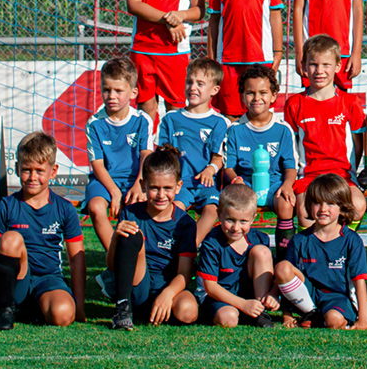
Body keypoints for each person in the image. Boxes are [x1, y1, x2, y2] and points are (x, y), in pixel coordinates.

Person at [0, 132, 85, 330]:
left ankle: (39, 307)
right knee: (11, 239)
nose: (32, 177)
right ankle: (6, 308)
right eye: (26, 170)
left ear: (53, 171)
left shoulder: (65, 208)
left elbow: (76, 258)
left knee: (63, 315)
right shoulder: (6, 206)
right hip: (15, 282)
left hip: (49, 279)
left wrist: (79, 304)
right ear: (17, 169)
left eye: (39, 170)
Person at [104, 145, 199, 330]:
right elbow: (111, 265)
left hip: (169, 286)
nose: (161, 195)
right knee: (132, 233)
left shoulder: (186, 223)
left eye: (167, 188)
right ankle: (123, 308)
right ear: (143, 185)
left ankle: (156, 308)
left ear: (178, 187)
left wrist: (168, 294)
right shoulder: (130, 213)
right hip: (138, 285)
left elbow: (184, 274)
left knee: (188, 311)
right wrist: (116, 238)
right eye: (154, 188)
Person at [284, 34, 367, 227]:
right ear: (304, 66)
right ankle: (308, 254)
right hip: (309, 176)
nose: (319, 71)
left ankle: (343, 246)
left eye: (326, 65)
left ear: (338, 66)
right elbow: (291, 146)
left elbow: (358, 144)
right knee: (305, 213)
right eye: (313, 64)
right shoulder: (294, 104)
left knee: (357, 205)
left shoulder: (350, 103)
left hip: (342, 175)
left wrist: (352, 172)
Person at [275, 174, 367, 330]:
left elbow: (359, 281)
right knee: (282, 267)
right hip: (309, 297)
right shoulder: (300, 239)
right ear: (309, 205)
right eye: (317, 203)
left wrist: (364, 320)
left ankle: (322, 319)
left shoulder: (351, 240)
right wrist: (287, 316)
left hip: (338, 298)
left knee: (333, 321)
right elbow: (286, 280)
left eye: (330, 204)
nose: (323, 209)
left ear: (342, 207)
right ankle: (312, 315)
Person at [222, 64, 298, 255]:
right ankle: (239, 256)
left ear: (273, 96)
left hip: (274, 184)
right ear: (242, 96)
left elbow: (290, 166)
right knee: (238, 206)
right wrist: (235, 180)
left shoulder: (283, 129)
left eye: (263, 92)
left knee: (286, 203)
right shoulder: (234, 129)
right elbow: (228, 167)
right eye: (250, 93)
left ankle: (284, 259)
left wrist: (288, 184)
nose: (257, 98)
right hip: (245, 186)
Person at [156, 58, 230, 245]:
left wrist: (210, 169)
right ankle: (167, 248)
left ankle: (189, 247)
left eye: (200, 83)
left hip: (207, 185)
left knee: (212, 211)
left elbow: (219, 157)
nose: (192, 87)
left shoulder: (219, 122)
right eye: (189, 82)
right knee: (174, 209)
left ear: (214, 90)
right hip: (180, 185)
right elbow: (164, 155)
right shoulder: (171, 119)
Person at [84, 57, 155, 251]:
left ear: (133, 93)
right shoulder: (94, 123)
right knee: (97, 207)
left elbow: (146, 157)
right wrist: (114, 192)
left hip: (136, 180)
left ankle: (147, 259)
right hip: (105, 180)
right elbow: (97, 164)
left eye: (118, 91)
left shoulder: (142, 121)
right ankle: (114, 259)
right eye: (106, 90)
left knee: (146, 207)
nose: (111, 96)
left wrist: (139, 186)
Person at [195, 185, 277, 328]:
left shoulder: (259, 239)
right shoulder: (212, 242)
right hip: (218, 296)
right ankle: (245, 311)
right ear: (219, 214)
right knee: (229, 319)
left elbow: (275, 273)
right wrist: (243, 304)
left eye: (243, 221)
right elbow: (210, 287)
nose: (236, 228)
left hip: (248, 294)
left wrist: (273, 294)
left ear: (253, 219)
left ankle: (260, 311)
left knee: (262, 252)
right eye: (230, 220)